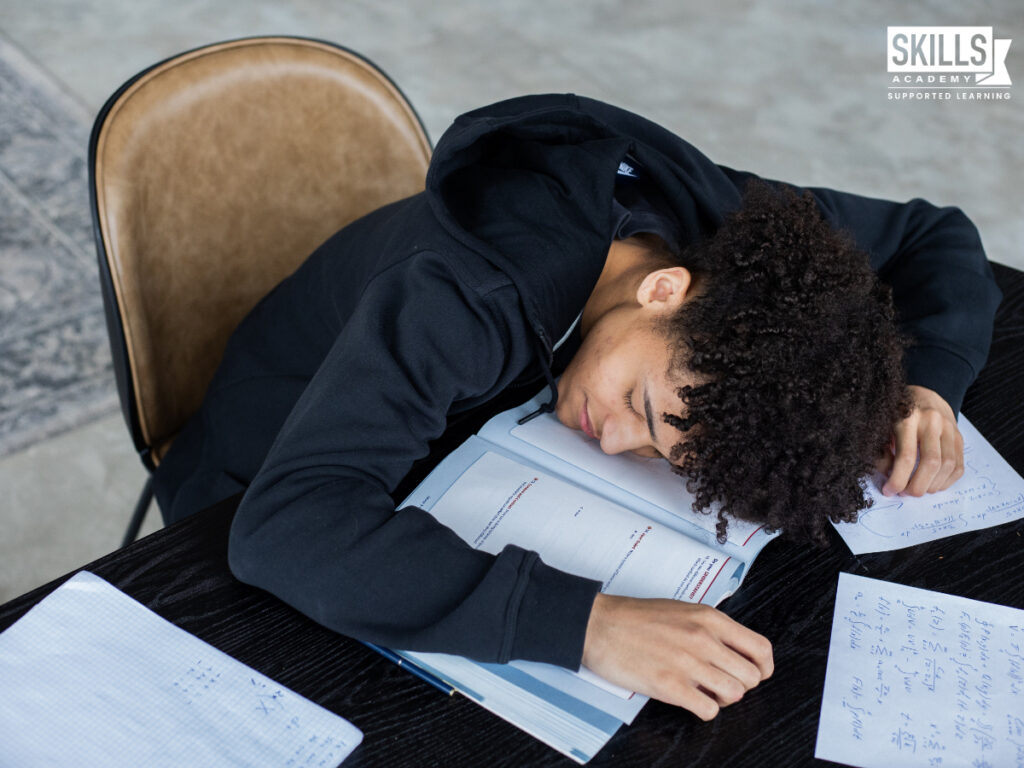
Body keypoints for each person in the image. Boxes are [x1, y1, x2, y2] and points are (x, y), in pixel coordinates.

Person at [152, 93, 1001, 721]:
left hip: (453, 450)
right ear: (665, 290)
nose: (616, 440)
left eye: (666, 458)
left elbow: (935, 238)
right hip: (253, 476)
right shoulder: (463, 296)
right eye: (646, 407)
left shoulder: (725, 243)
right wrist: (588, 626)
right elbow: (285, 528)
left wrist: (926, 381)